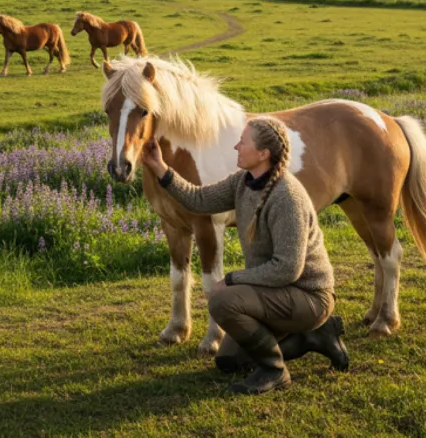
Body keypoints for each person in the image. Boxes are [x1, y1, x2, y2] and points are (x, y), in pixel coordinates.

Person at [142, 116, 349, 395]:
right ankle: (314, 337)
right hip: (275, 290)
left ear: (263, 154)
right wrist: (160, 169)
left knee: (223, 301)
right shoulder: (244, 181)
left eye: (243, 142)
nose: (236, 147)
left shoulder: (287, 197)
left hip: (308, 295)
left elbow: (288, 269)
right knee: (229, 360)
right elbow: (199, 200)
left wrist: (232, 279)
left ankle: (274, 371)